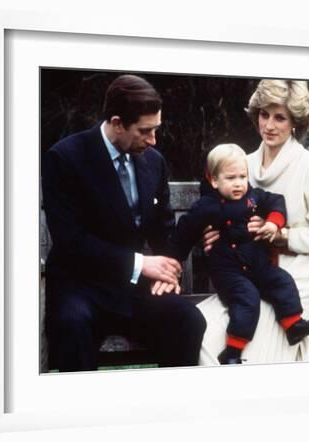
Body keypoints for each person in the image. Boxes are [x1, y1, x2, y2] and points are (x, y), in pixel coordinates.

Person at [41, 74, 206, 372]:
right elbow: (70, 241)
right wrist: (140, 264)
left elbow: (164, 229)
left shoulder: (153, 162)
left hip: (132, 290)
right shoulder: (65, 158)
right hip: (80, 286)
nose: (153, 140)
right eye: (145, 131)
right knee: (72, 327)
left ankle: (172, 413)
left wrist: (165, 271)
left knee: (188, 319)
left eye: (156, 130)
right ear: (117, 122)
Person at [198, 79, 309, 364]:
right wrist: (213, 234)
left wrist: (284, 236)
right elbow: (218, 212)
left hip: (293, 281)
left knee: (254, 348)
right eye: (264, 114)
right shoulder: (244, 165)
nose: (269, 125)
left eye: (280, 118)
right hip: (245, 276)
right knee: (204, 331)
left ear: (295, 122)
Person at [168, 143, 309, 364]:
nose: (238, 183)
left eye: (242, 176)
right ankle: (232, 351)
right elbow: (184, 234)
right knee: (248, 299)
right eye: (231, 178)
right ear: (214, 180)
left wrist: (273, 224)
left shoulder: (253, 197)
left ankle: (293, 325)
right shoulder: (205, 207)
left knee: (281, 280)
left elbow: (276, 202)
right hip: (229, 273)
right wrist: (171, 263)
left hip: (258, 264)